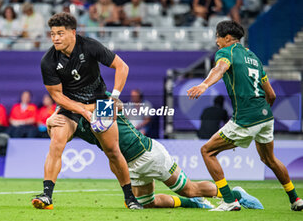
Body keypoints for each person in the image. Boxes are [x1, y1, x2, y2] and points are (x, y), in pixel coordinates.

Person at [46, 94, 263, 210]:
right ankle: (191, 204)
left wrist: (84, 108)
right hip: (128, 167)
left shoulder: (95, 99)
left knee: (189, 188)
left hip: (149, 155)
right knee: (146, 203)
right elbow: (60, 139)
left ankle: (234, 195)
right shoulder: (70, 121)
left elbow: (118, 105)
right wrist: (50, 124)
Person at [187, 20, 303, 211]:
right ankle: (295, 199)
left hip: (246, 117)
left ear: (227, 38)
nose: (216, 41)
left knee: (207, 151)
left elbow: (219, 68)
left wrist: (204, 84)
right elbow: (271, 94)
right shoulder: (253, 58)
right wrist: (262, 112)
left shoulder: (227, 52)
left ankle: (229, 201)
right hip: (265, 116)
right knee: (270, 159)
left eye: (218, 36)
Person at [32, 12, 142, 210]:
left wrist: (114, 97)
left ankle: (130, 198)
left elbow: (122, 67)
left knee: (113, 151)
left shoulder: (90, 46)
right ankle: (46, 195)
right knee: (56, 140)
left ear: (73, 33)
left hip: (101, 102)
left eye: (60, 33)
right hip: (70, 106)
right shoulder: (48, 60)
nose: (55, 38)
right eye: (52, 34)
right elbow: (57, 96)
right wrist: (82, 111)